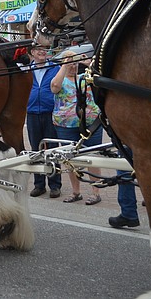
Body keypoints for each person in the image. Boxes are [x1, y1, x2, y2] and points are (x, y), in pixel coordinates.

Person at [51, 50, 102, 205]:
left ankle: (95, 191)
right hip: (65, 125)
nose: (72, 66)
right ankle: (76, 191)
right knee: (69, 159)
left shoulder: (84, 78)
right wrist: (64, 65)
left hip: (91, 124)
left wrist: (86, 62)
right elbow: (54, 87)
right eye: (69, 62)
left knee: (93, 157)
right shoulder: (60, 79)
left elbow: (99, 76)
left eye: (74, 62)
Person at [25, 44, 62, 198]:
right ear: (32, 53)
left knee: (53, 150)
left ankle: (55, 185)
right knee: (36, 150)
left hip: (50, 113)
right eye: (38, 49)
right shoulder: (26, 70)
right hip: (32, 113)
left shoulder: (55, 67)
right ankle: (39, 185)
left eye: (44, 49)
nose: (42, 52)